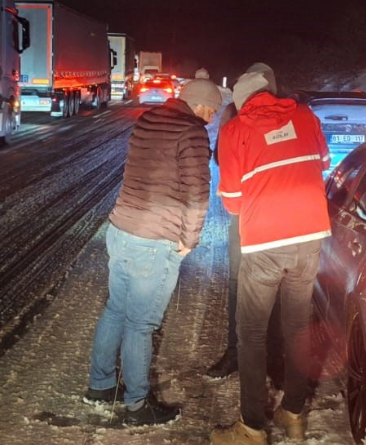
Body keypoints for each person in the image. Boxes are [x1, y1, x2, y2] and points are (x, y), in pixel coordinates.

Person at [84, 77, 223, 426]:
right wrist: (189, 240)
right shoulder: (192, 131)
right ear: (202, 105)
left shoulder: (147, 119)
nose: (211, 118)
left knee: (116, 309)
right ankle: (137, 405)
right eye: (212, 110)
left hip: (122, 228)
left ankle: (99, 386)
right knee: (140, 324)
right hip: (155, 237)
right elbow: (196, 193)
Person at [210, 69, 330, 445]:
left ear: (241, 101)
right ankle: (293, 412)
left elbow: (231, 202)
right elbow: (323, 163)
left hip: (264, 242)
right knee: (297, 327)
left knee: (252, 333)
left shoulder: (235, 131)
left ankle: (251, 428)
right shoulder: (306, 116)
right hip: (311, 234)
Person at [205, 62, 277, 379]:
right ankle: (273, 359)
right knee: (277, 285)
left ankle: (238, 352)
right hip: (279, 215)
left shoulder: (234, 115)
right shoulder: (293, 112)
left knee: (239, 283)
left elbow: (220, 158)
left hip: (246, 212)